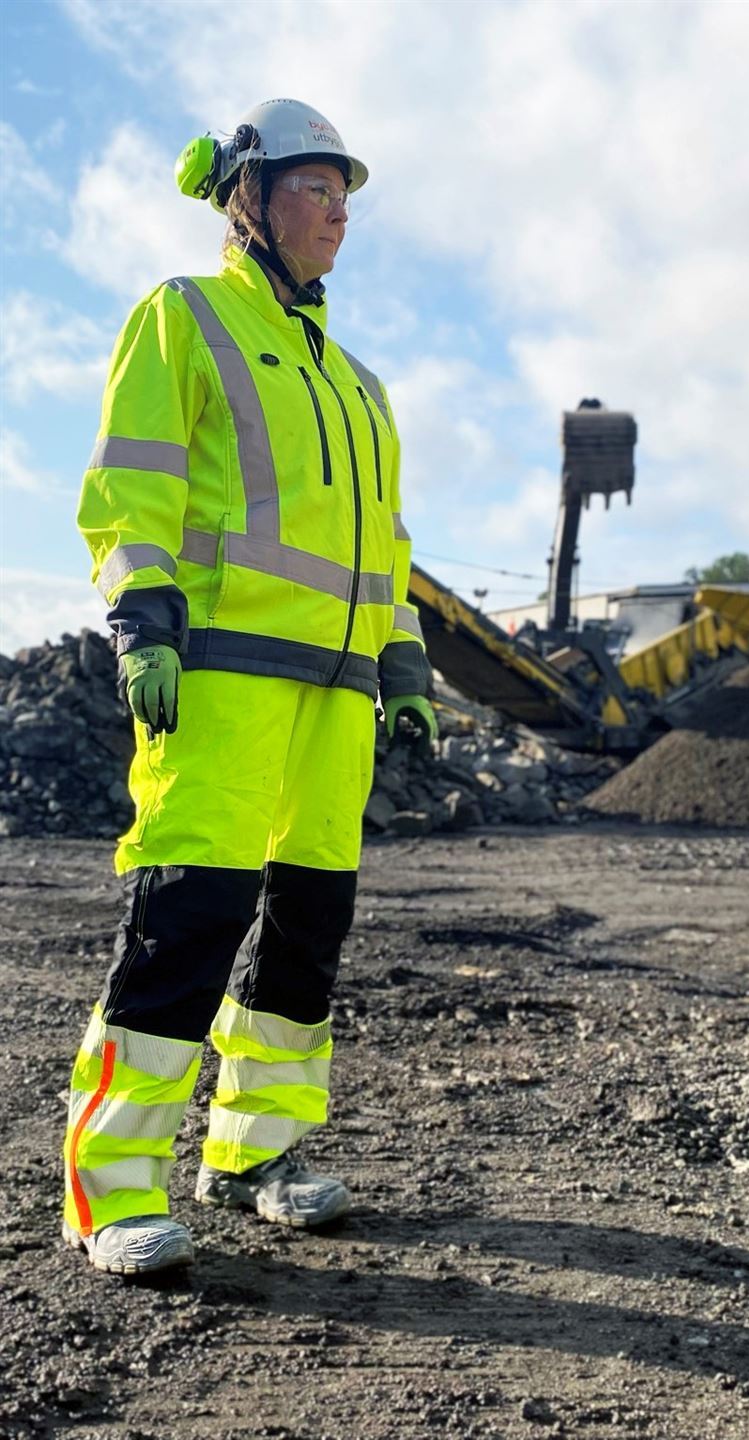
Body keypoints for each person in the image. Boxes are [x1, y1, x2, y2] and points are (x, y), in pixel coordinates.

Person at [64, 99, 436, 1275]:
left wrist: (408, 663)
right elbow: (133, 486)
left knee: (304, 935)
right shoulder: (186, 317)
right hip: (217, 681)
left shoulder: (363, 384)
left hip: (334, 702)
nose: (338, 211)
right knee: (188, 920)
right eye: (316, 187)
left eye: (347, 194)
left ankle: (253, 1152)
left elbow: (387, 546)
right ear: (248, 197)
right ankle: (114, 1190)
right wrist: (143, 624)